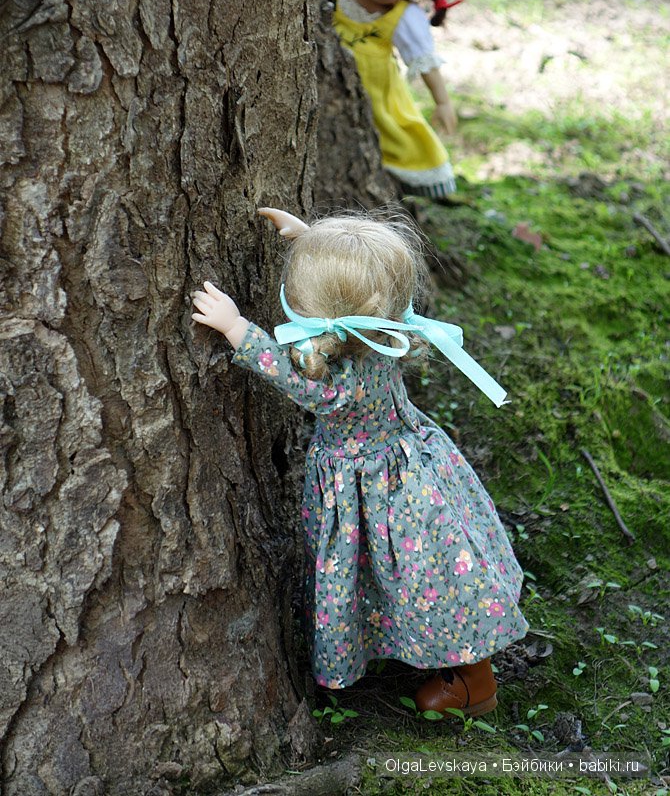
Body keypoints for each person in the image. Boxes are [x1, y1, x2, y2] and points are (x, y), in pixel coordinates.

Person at [191, 208, 528, 714]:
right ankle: (423, 653)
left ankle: (475, 682)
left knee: (428, 576)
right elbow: (362, 293)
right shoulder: (385, 329)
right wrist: (313, 243)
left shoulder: (345, 374)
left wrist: (238, 328)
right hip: (409, 469)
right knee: (416, 573)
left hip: (382, 492)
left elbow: (297, 381)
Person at [314, 0, 463, 199]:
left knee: (394, 131)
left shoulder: (403, 17)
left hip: (375, 92)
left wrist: (443, 102)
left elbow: (424, 62)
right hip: (320, 81)